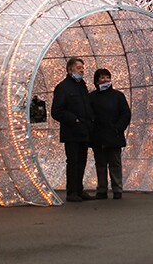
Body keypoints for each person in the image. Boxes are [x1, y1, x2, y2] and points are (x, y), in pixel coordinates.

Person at [51, 57, 95, 202]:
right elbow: (56, 111)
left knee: (82, 161)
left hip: (84, 131)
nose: (81, 70)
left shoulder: (82, 86)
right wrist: (74, 120)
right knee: (73, 161)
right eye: (78, 68)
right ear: (70, 70)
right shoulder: (63, 87)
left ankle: (79, 189)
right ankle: (72, 192)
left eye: (82, 68)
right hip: (71, 132)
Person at [89, 68, 131, 200]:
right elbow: (88, 115)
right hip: (98, 136)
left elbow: (125, 114)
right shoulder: (91, 97)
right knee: (100, 164)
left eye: (107, 77)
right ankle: (101, 189)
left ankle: (117, 189)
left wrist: (118, 128)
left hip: (114, 135)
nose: (105, 80)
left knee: (115, 163)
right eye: (102, 77)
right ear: (97, 81)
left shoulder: (118, 96)